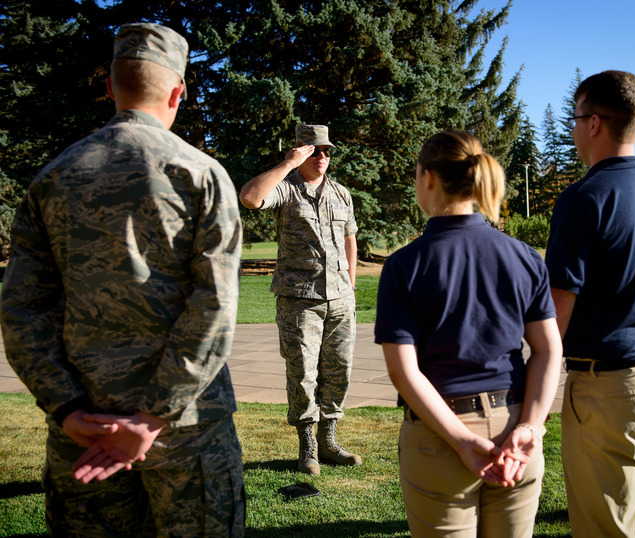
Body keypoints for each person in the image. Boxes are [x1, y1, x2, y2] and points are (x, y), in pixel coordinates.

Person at [0, 23, 245, 536]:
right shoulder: (199, 174)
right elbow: (214, 305)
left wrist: (65, 406)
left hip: (85, 425)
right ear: (178, 91)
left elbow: (22, 309)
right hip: (185, 430)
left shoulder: (52, 178)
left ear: (110, 87)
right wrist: (155, 416)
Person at [374, 130, 562, 537]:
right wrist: (529, 428)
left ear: (428, 178)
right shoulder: (524, 256)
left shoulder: (405, 265)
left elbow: (404, 373)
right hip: (515, 427)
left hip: (440, 435)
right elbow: (548, 351)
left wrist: (461, 441)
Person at [545, 70, 635, 537]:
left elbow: (556, 311)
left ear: (595, 123)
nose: (571, 128)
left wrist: (533, 384)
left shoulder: (584, 199)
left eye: (575, 117)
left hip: (611, 390)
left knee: (607, 528)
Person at [239, 124, 360, 475]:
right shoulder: (286, 190)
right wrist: (288, 164)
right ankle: (307, 448)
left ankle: (329, 442)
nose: (322, 156)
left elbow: (351, 237)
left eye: (327, 151)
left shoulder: (341, 193)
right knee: (303, 373)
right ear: (300, 150)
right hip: (299, 300)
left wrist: (350, 285)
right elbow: (250, 197)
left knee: (339, 372)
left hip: (339, 299)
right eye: (315, 150)